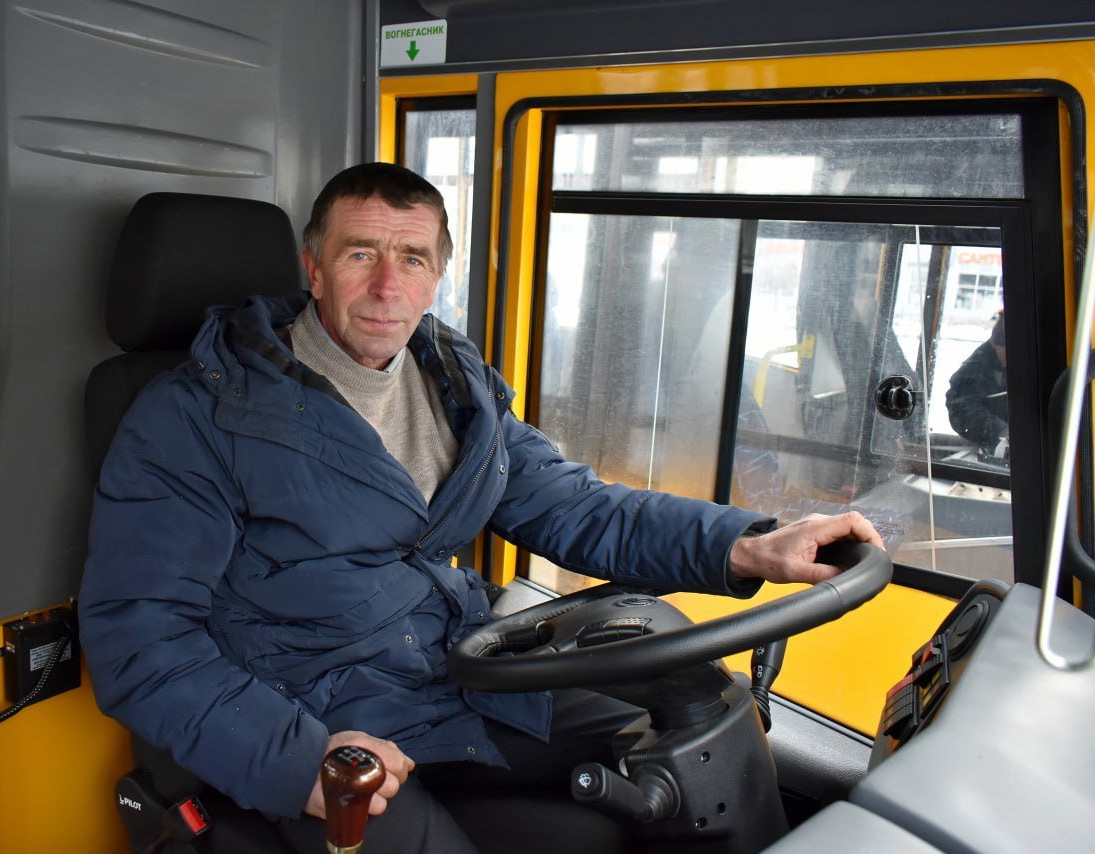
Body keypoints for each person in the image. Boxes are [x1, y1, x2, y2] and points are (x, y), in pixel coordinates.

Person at [78, 162, 883, 852]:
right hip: (319, 723)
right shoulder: (195, 417)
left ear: (437, 275)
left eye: (412, 259)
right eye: (360, 254)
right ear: (313, 269)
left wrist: (749, 544)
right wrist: (299, 762)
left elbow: (576, 507)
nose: (388, 286)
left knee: (703, 728)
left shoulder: (452, 382)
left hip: (460, 673)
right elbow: (139, 638)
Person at [946, 310, 1008, 453]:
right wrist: (1002, 430)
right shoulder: (973, 371)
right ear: (997, 345)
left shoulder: (1002, 365)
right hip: (984, 447)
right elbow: (964, 410)